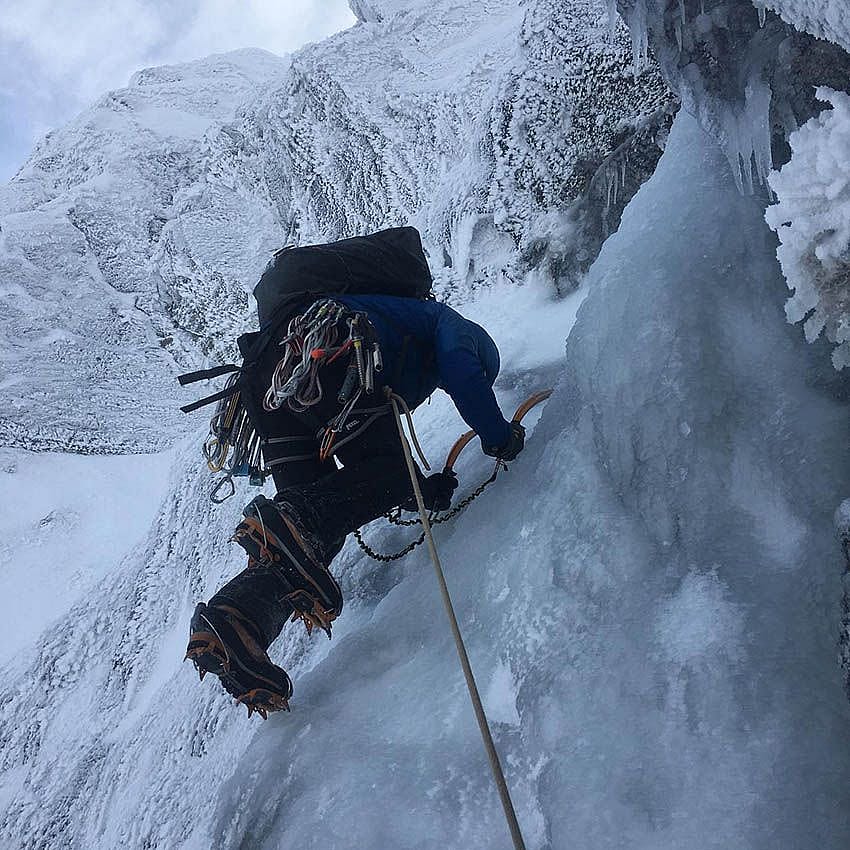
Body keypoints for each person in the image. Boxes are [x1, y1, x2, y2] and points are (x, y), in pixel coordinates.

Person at [185, 288, 525, 718]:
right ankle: (270, 565)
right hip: (332, 353)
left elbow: (364, 470)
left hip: (274, 388)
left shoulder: (404, 335)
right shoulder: (449, 326)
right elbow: (461, 371)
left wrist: (422, 489)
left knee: (308, 535)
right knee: (315, 514)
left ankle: (238, 620)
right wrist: (501, 439)